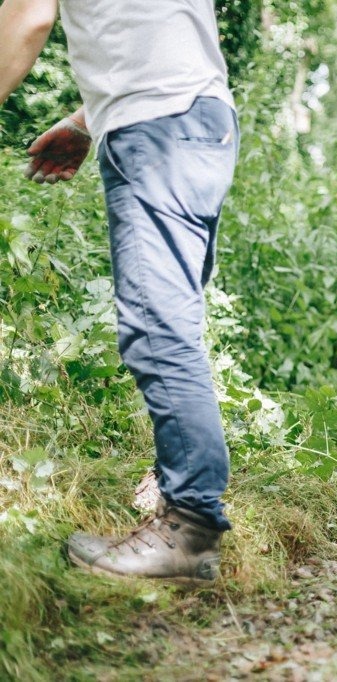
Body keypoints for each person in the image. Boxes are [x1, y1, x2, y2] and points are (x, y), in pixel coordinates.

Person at [1, 0, 239, 583]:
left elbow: (29, 18)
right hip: (201, 118)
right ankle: (183, 507)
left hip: (155, 129)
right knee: (173, 324)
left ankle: (189, 528)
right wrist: (89, 119)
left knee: (158, 332)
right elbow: (162, 31)